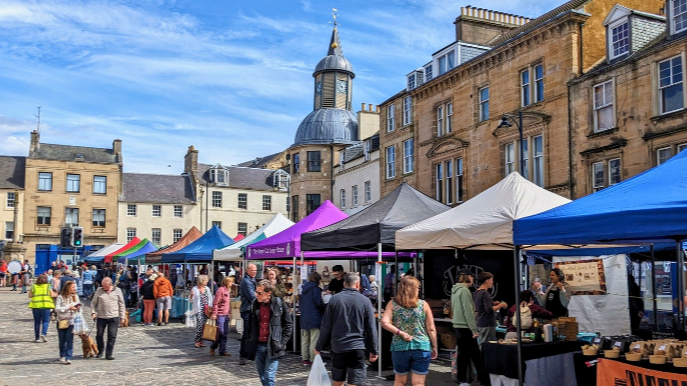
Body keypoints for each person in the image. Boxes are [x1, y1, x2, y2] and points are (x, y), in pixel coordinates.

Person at [315, 273, 378, 386]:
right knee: (354, 381)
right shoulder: (365, 301)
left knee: (338, 380)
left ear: (344, 284)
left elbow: (326, 325)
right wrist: (373, 349)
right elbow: (371, 327)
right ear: (358, 284)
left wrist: (319, 346)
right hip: (357, 346)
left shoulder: (334, 300)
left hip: (338, 346)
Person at [381, 276, 438, 386]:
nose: (419, 290)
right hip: (422, 346)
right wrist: (434, 346)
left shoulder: (392, 304)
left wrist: (400, 333)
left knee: (400, 381)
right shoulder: (423, 305)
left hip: (400, 347)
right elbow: (431, 328)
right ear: (413, 289)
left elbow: (384, 322)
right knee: (419, 383)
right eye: (418, 287)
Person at [245, 280, 293, 386]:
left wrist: (282, 342)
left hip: (273, 345)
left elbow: (288, 325)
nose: (257, 295)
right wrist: (250, 340)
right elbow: (250, 325)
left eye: (260, 293)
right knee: (262, 377)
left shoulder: (279, 303)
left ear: (269, 292)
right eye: (256, 292)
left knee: (269, 376)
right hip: (258, 345)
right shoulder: (255, 304)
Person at [451, 271, 485, 386]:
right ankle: (482, 378)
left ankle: (462, 379)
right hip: (466, 327)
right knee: (475, 355)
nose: (473, 280)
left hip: (457, 325)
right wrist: (474, 330)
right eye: (472, 277)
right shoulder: (465, 291)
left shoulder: (455, 290)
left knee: (463, 354)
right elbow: (468, 312)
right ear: (468, 277)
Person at [91, 277, 126, 360]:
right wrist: (93, 312)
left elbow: (121, 304)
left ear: (110, 284)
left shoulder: (117, 291)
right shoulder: (99, 290)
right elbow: (93, 303)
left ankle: (108, 354)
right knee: (99, 335)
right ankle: (100, 350)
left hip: (113, 317)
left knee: (112, 335)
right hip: (101, 316)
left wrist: (122, 317)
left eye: (104, 286)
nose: (103, 287)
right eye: (102, 285)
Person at [474, 272, 507, 348]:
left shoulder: (477, 292)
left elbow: (481, 307)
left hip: (480, 323)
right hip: (487, 324)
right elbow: (489, 310)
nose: (492, 282)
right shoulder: (485, 294)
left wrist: (493, 303)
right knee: (488, 347)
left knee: (483, 345)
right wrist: (501, 305)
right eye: (491, 280)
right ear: (487, 281)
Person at [300, 272, 326, 365]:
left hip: (304, 317)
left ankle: (305, 358)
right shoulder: (316, 290)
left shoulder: (303, 289)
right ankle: (313, 359)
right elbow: (318, 303)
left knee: (305, 339)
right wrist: (325, 306)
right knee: (314, 339)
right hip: (314, 317)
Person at [55, 280, 80, 364]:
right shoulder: (60, 297)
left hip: (71, 321)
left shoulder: (75, 297)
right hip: (62, 320)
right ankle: (62, 355)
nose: (74, 288)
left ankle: (69, 356)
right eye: (73, 287)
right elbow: (57, 308)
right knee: (62, 339)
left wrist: (77, 308)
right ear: (68, 287)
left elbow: (78, 306)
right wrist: (67, 308)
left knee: (69, 339)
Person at [239, 263, 258, 365]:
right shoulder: (246, 281)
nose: (254, 272)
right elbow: (253, 297)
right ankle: (243, 355)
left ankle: (249, 353)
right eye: (252, 270)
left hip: (251, 310)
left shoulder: (252, 280)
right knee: (246, 333)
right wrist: (257, 294)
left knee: (251, 333)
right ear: (247, 271)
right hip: (247, 310)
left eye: (255, 270)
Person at [210, 276, 233, 356]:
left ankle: (222, 350)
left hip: (226, 315)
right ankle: (213, 346)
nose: (232, 283)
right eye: (230, 282)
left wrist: (229, 313)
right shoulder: (221, 290)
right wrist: (214, 313)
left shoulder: (228, 291)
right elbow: (215, 303)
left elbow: (227, 304)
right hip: (220, 315)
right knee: (220, 333)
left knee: (225, 333)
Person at [28, 273, 55, 343]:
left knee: (37, 322)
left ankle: (37, 338)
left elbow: (30, 295)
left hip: (36, 306)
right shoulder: (48, 286)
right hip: (45, 305)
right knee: (45, 321)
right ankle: (43, 333)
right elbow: (52, 294)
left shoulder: (34, 286)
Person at [190, 275, 213, 347]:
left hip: (207, 310)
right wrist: (191, 296)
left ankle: (201, 340)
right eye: (206, 280)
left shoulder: (207, 289)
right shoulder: (195, 289)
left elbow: (210, 298)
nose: (207, 281)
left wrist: (211, 307)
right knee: (200, 324)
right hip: (199, 309)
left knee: (204, 326)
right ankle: (197, 340)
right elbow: (191, 300)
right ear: (202, 281)